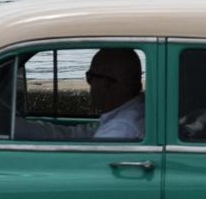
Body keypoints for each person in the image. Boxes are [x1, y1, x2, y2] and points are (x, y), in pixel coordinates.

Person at [14, 49, 145, 141]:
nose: (89, 84)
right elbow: (75, 134)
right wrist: (20, 128)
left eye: (90, 77)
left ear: (107, 84)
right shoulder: (132, 114)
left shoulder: (120, 129)